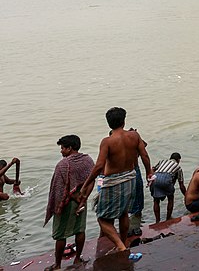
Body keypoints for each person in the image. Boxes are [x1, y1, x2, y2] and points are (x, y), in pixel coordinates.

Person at [77, 107, 152, 253]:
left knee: (102, 218)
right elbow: (144, 155)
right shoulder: (135, 136)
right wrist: (149, 172)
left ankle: (121, 246)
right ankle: (123, 243)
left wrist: (86, 184)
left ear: (108, 124)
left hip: (113, 181)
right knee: (124, 213)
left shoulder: (107, 141)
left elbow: (99, 166)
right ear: (124, 121)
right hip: (130, 177)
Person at [43, 135, 94, 271]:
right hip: (81, 201)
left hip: (67, 203)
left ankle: (57, 265)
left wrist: (71, 199)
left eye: (62, 148)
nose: (61, 151)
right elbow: (91, 180)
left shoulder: (63, 165)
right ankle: (77, 259)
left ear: (70, 148)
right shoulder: (88, 160)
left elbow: (60, 190)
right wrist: (83, 199)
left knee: (60, 234)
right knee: (80, 229)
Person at [149, 152, 187, 223]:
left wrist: (152, 177)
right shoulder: (178, 167)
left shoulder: (162, 161)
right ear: (178, 160)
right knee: (170, 198)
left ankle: (157, 221)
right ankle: (168, 218)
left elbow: (152, 169)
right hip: (166, 179)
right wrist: (186, 195)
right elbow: (181, 184)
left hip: (155, 178)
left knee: (156, 200)